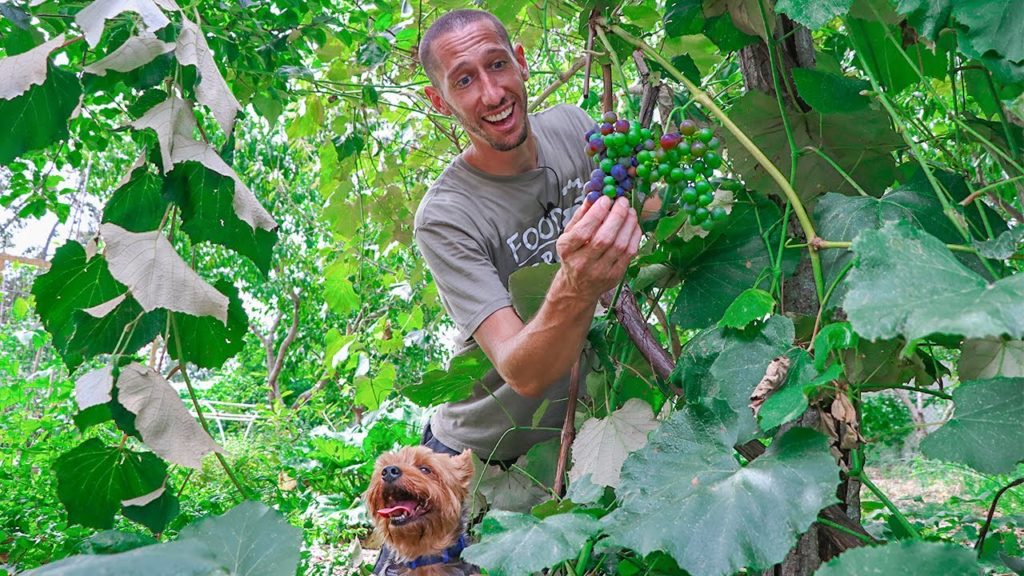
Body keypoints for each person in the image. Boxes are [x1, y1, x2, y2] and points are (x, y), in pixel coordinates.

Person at [412, 9, 641, 467]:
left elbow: (645, 208)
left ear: (521, 63)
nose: (492, 92)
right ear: (440, 102)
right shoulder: (445, 217)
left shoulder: (575, 127)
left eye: (497, 65)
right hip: (475, 455)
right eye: (464, 81)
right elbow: (523, 370)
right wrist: (577, 282)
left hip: (574, 439)